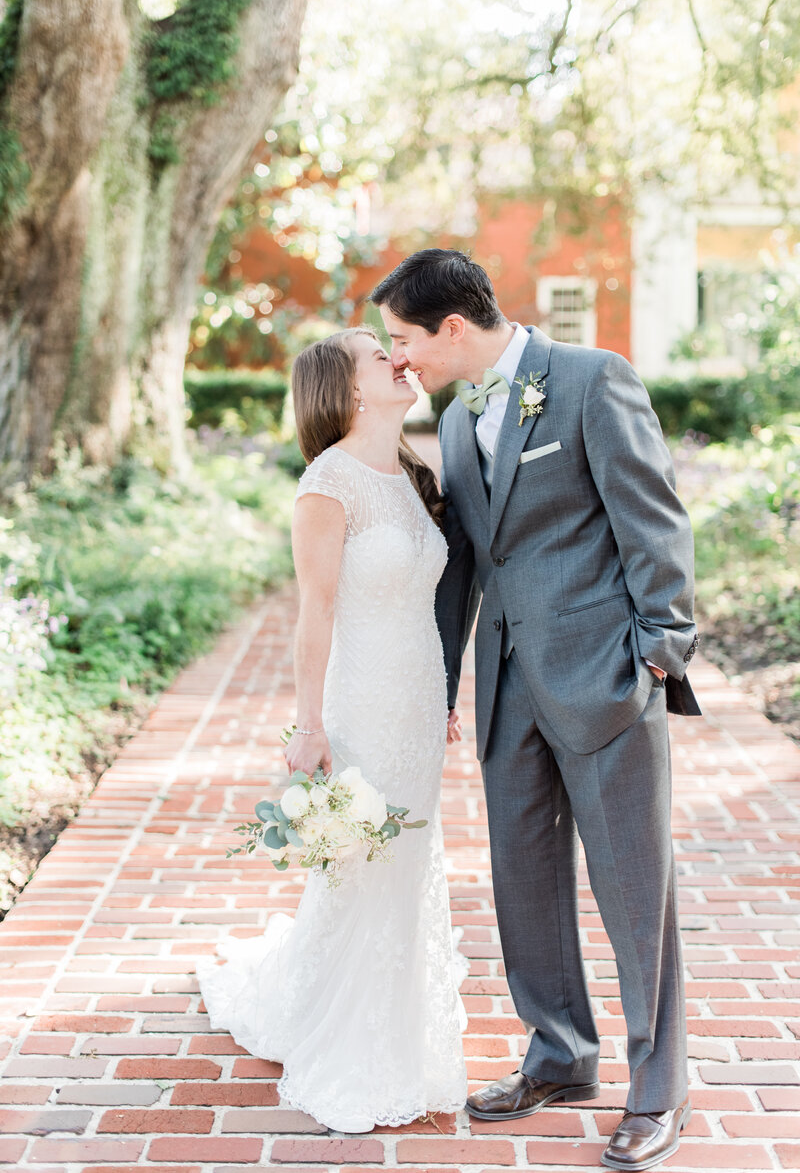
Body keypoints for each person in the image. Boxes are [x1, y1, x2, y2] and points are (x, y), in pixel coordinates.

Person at [372, 250, 701, 1173]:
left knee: (636, 888)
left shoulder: (593, 380)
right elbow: (469, 560)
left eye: (404, 341)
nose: (399, 360)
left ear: (452, 329)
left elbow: (654, 518)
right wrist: (437, 682)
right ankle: (559, 1056)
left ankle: (659, 1086)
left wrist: (658, 651)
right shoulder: (455, 408)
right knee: (523, 875)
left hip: (604, 674)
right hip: (505, 680)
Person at [196, 327, 468, 1134]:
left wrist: (446, 690)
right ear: (347, 388)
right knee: (363, 864)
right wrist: (307, 727)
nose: (398, 358)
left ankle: (402, 1025)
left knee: (408, 855)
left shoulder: (414, 473)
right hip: (361, 705)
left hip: (419, 703)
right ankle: (352, 1038)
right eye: (377, 354)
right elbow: (314, 614)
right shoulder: (327, 483)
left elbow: (427, 603)